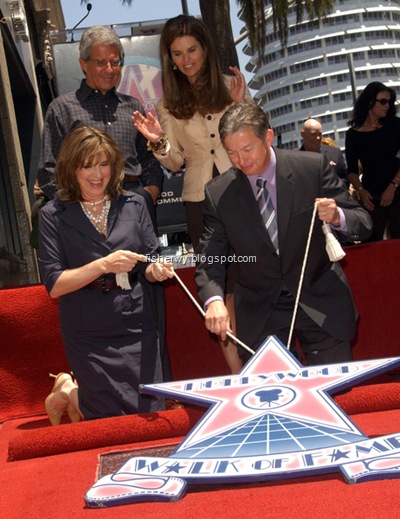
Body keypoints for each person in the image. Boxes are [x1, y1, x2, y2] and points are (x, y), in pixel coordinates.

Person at [195, 103, 372, 367]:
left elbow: (364, 223)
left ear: (268, 137)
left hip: (319, 297)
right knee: (272, 398)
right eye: (231, 153)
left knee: (335, 393)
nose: (241, 161)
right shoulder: (219, 193)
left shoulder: (311, 168)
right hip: (260, 308)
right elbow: (211, 257)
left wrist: (338, 217)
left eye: (247, 149)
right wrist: (214, 301)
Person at [132, 14, 253, 373]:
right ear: (169, 58)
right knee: (219, 287)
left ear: (205, 49)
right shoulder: (168, 104)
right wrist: (158, 141)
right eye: (177, 53)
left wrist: (242, 104)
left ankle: (266, 364)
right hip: (201, 202)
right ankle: (239, 373)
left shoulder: (232, 85)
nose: (186, 59)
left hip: (243, 194)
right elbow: (174, 161)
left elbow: (257, 140)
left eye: (192, 50)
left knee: (252, 280)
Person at [39, 126, 174, 424]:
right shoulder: (53, 214)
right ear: (72, 168)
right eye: (87, 166)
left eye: (104, 164)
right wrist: (103, 265)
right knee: (105, 420)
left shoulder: (135, 203)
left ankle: (69, 391)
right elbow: (54, 285)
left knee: (148, 415)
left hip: (137, 321)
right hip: (87, 328)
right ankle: (69, 391)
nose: (97, 174)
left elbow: (149, 264)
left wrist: (157, 270)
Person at [37, 25, 163, 223]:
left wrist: (150, 193)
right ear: (83, 64)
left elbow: (148, 160)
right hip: (82, 210)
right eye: (101, 62)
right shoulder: (62, 109)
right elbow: (48, 170)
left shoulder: (133, 107)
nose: (109, 69)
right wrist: (75, 209)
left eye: (114, 62)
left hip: (134, 205)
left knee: (140, 256)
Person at [345, 81, 400, 242]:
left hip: (398, 190)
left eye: (389, 102)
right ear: (370, 102)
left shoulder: (395, 125)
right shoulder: (353, 134)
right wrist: (361, 190)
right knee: (373, 243)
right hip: (372, 196)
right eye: (382, 101)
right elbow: (352, 171)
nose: (387, 105)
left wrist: (393, 185)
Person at [300, 118, 348, 187]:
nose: (318, 138)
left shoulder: (335, 153)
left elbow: (344, 179)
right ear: (303, 134)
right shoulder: (294, 159)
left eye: (320, 134)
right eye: (313, 134)